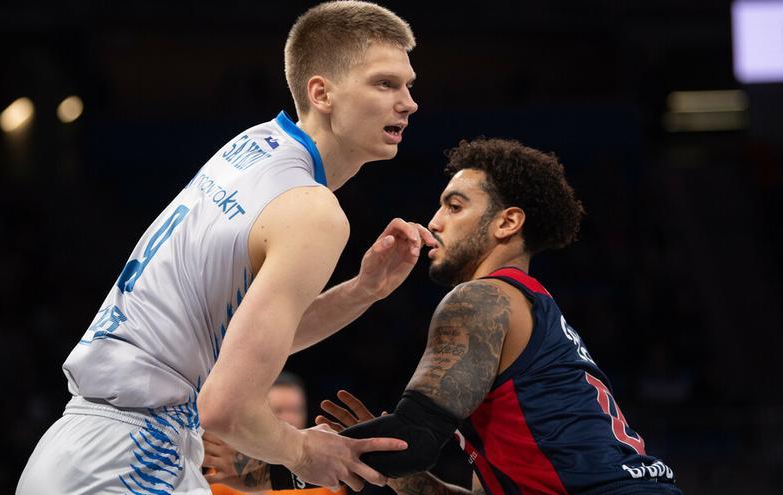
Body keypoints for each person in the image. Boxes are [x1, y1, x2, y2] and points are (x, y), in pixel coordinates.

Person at [16, 2, 435, 494]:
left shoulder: (252, 147)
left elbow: (233, 345)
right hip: (131, 460)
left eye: (408, 85)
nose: (408, 102)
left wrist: (364, 290)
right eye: (385, 84)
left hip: (78, 447)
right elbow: (226, 407)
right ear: (321, 92)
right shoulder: (314, 211)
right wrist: (307, 451)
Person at [212, 138, 683, 494]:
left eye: (454, 206)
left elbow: (414, 436)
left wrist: (269, 465)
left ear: (507, 223)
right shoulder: (529, 308)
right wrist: (408, 477)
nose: (434, 221)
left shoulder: (481, 299)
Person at [205, 372, 346, 495]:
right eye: (279, 410)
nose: (290, 419)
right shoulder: (229, 470)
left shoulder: (322, 473)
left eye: (295, 410)